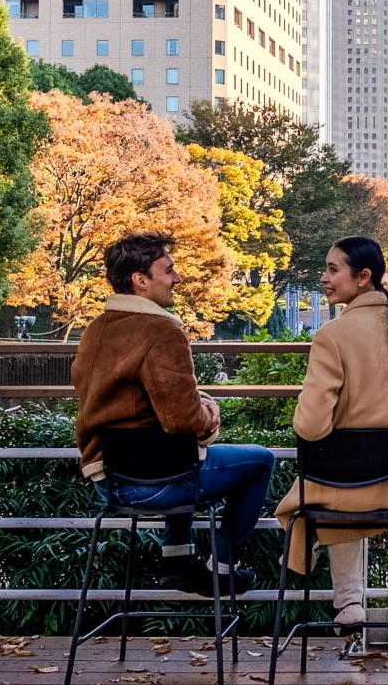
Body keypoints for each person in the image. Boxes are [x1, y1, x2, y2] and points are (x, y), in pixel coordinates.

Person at [71, 232, 275, 595]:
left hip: (108, 479)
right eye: (169, 270)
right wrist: (209, 411)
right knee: (259, 461)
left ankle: (177, 559)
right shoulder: (162, 329)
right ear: (141, 280)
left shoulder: (95, 330)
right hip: (154, 485)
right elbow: (183, 419)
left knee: (174, 450)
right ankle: (222, 568)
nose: (177, 278)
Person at [275, 237, 388, 625]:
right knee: (344, 483)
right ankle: (349, 601)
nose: (324, 278)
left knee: (327, 488)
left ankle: (347, 599)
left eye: (333, 270)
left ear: (363, 277)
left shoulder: (332, 336)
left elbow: (310, 426)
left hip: (346, 485)